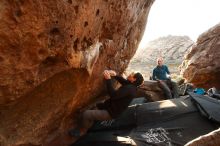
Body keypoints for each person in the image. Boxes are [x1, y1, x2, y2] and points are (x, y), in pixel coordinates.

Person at [69, 70, 144, 137]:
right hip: (110, 107)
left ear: (134, 79)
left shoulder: (129, 89)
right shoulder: (132, 86)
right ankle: (89, 124)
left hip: (110, 113)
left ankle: (82, 131)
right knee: (95, 107)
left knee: (86, 114)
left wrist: (108, 80)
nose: (130, 74)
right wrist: (115, 75)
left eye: (132, 74)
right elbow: (124, 81)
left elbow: (113, 95)